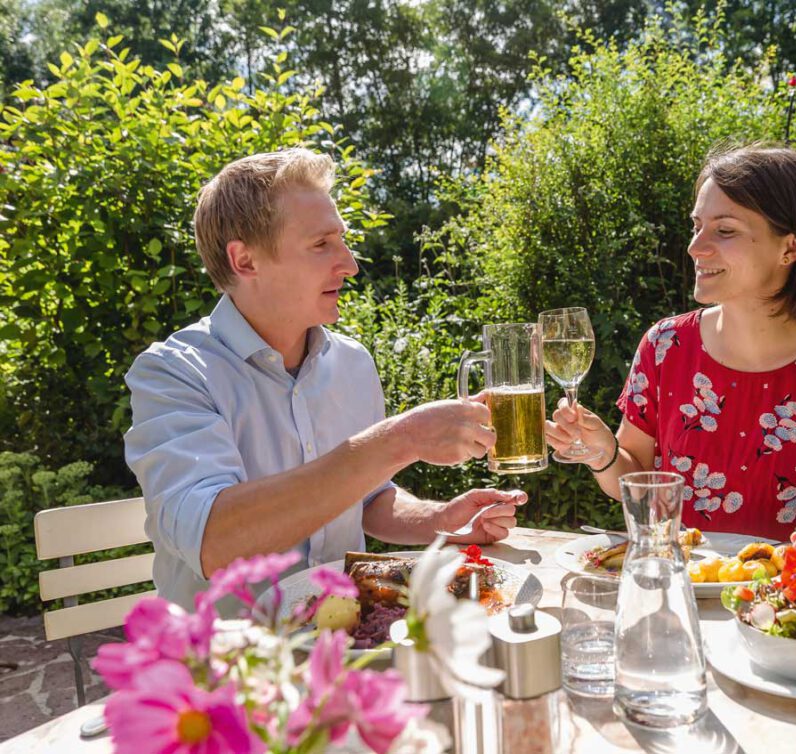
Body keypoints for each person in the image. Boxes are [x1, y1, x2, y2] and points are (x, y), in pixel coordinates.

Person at [124, 148, 523, 610]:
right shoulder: (173, 372)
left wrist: (439, 518)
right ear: (245, 261)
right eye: (321, 244)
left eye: (342, 241)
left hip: (340, 647)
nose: (350, 264)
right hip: (228, 664)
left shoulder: (352, 363)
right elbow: (215, 542)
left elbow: (368, 496)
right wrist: (401, 439)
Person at [546, 146, 796, 584]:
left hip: (792, 614)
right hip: (679, 600)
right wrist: (604, 452)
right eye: (697, 226)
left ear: (790, 248)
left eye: (724, 230)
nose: (694, 247)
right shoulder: (664, 346)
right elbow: (637, 482)